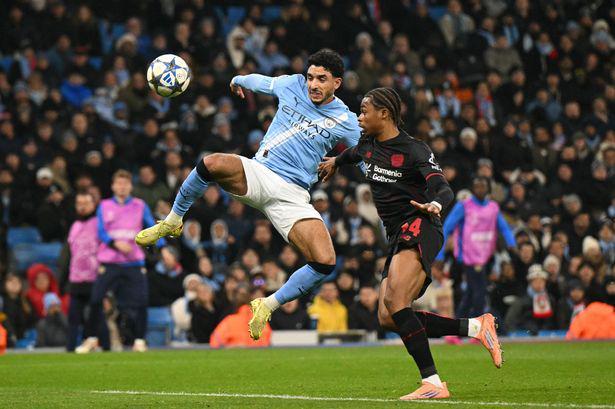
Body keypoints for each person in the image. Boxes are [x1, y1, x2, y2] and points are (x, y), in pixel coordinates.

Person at [135, 49, 361, 341]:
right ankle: (173, 221)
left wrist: (342, 162)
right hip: (260, 172)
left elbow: (366, 157)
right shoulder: (293, 84)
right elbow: (262, 82)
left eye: (322, 79)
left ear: (337, 83)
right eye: (311, 77)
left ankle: (267, 304)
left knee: (325, 261)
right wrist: (238, 79)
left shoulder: (346, 119)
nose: (313, 84)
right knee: (211, 163)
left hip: (293, 195)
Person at [319, 87, 502, 400]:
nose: (359, 117)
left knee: (396, 301)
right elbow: (353, 154)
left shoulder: (415, 149)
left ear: (384, 114)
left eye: (364, 111)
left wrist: (436, 204)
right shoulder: (367, 145)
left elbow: (443, 188)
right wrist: (335, 161)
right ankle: (476, 327)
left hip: (421, 225)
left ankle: (433, 383)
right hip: (396, 235)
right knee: (387, 316)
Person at [76, 170, 164, 353]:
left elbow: (151, 226)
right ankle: (91, 338)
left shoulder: (140, 205)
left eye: (125, 184)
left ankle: (140, 340)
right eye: (119, 184)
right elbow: (101, 231)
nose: (122, 187)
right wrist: (115, 244)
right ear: (113, 186)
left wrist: (162, 246)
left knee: (141, 301)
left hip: (134, 262)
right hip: (109, 261)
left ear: (130, 186)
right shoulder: (104, 205)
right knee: (96, 299)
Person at [436, 176, 517, 317]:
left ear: (488, 188)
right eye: (477, 186)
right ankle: (478, 324)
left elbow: (503, 227)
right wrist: (440, 255)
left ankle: (458, 324)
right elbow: (447, 228)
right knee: (480, 291)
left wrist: (511, 243)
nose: (479, 189)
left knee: (471, 292)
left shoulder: (493, 207)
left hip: (485, 255)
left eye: (482, 186)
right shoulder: (464, 206)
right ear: (473, 189)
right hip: (468, 255)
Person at [59, 192, 100, 352]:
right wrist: (62, 280)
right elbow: (68, 254)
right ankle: (70, 349)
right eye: (79, 203)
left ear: (93, 205)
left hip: (95, 277)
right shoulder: (74, 226)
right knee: (73, 317)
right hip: (76, 278)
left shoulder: (98, 223)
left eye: (86, 203)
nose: (82, 207)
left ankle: (105, 347)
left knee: (96, 316)